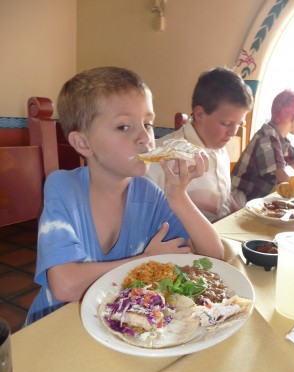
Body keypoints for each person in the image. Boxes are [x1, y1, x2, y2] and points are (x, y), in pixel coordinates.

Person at [25, 66, 223, 326]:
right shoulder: (62, 187)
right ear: (83, 144)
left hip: (111, 326)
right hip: (53, 327)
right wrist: (144, 261)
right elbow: (65, 285)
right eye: (123, 126)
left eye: (148, 123)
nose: (145, 137)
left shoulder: (150, 194)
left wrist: (178, 196)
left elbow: (212, 257)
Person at [147, 67, 254, 223]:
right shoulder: (161, 159)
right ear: (199, 114)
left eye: (239, 124)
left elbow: (222, 196)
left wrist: (235, 208)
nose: (233, 133)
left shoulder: (219, 146)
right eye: (226, 123)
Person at [231, 89, 294, 204]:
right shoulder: (267, 136)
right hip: (238, 200)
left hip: (253, 199)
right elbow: (282, 177)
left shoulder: (281, 141)